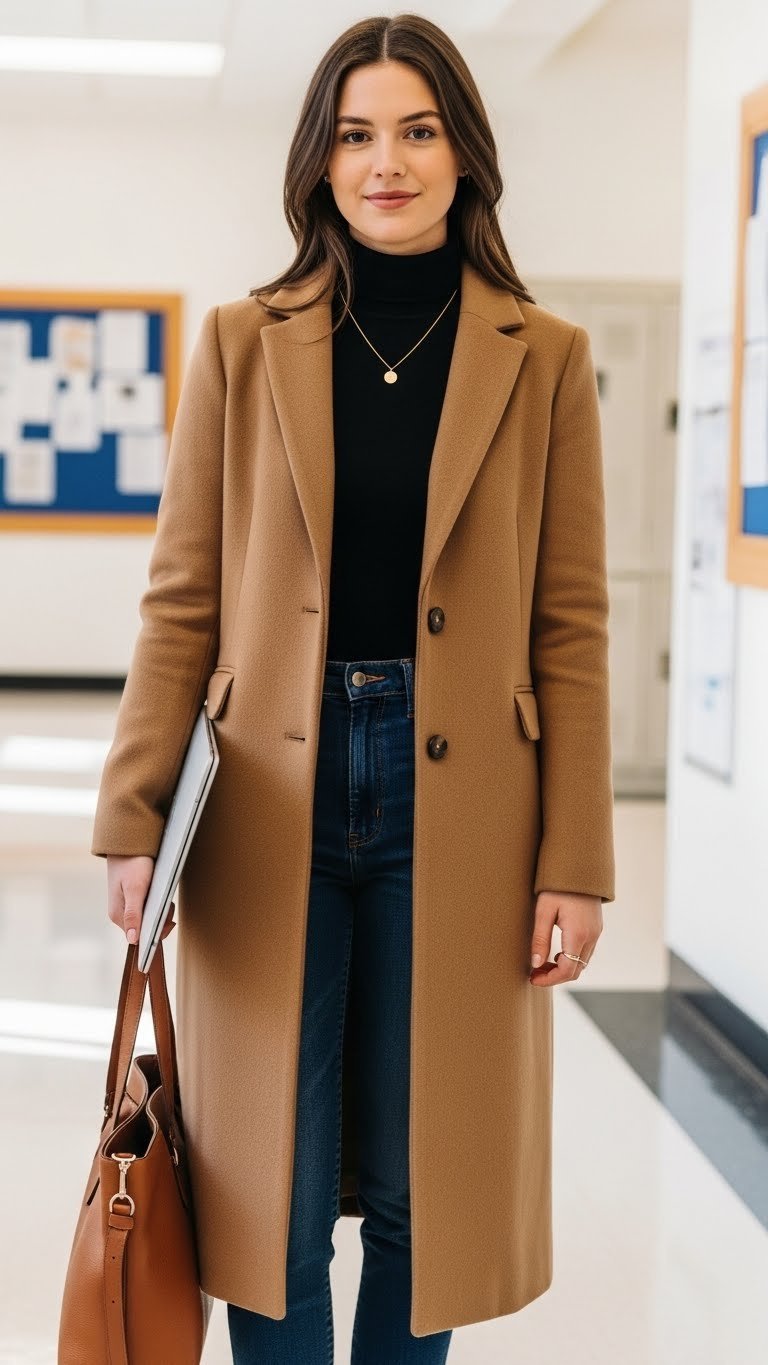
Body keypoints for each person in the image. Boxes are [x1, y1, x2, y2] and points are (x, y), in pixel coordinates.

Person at [96, 12, 615, 1364]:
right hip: (269, 792)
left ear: (464, 154)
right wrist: (132, 816)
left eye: (416, 129)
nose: (386, 160)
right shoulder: (240, 342)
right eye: (355, 133)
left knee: (418, 1182)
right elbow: (183, 601)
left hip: (471, 808)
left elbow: (570, 625)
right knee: (266, 1175)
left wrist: (580, 857)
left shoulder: (542, 354)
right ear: (320, 163)